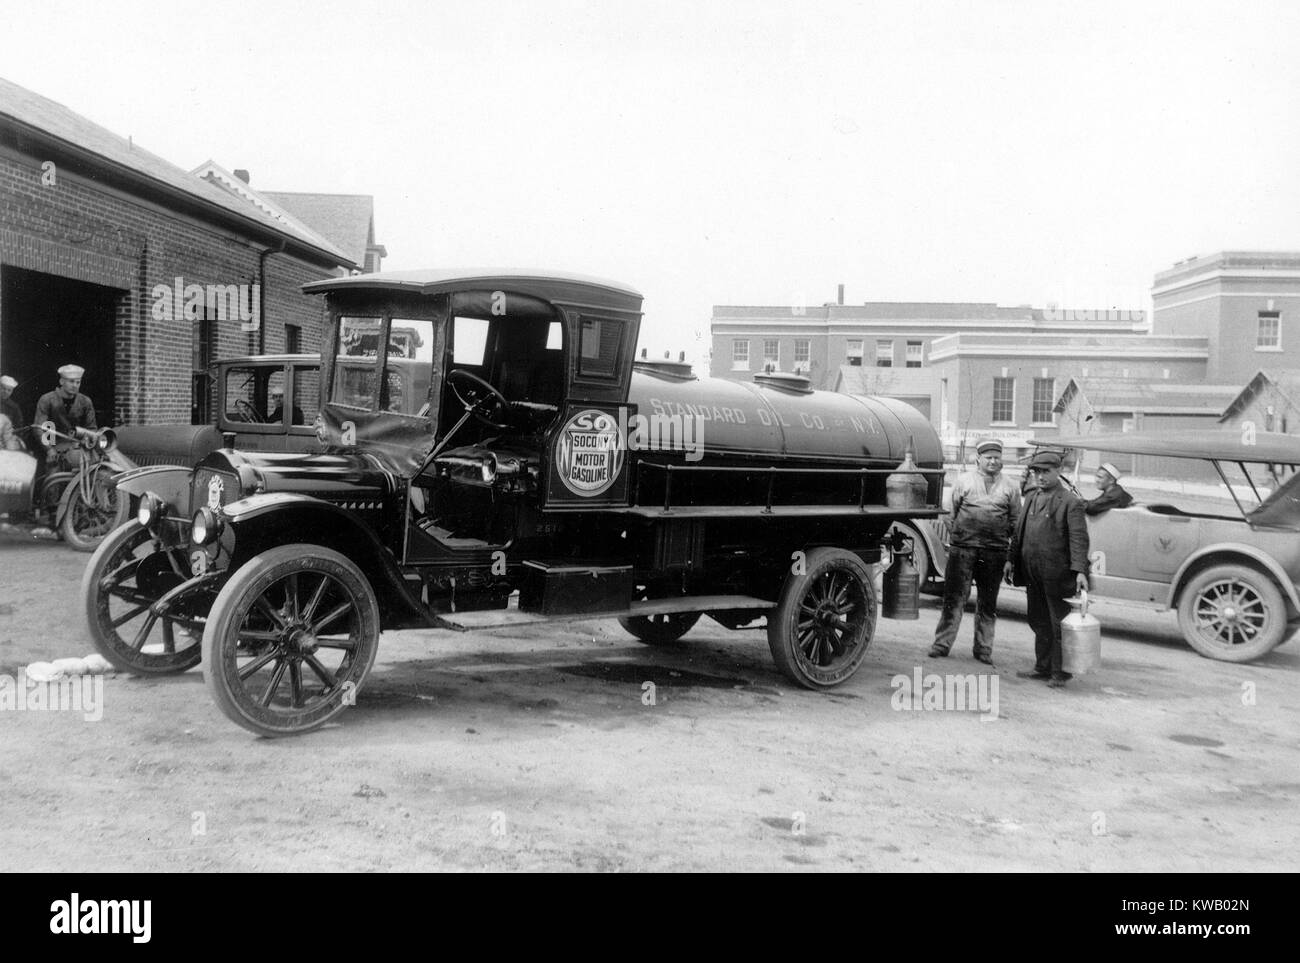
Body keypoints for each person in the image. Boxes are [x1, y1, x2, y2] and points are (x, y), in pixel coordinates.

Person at [928, 438, 1022, 666]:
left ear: (1002, 459)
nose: (993, 461)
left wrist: (1003, 546)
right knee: (953, 599)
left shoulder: (1011, 486)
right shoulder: (963, 482)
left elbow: (1015, 521)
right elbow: (950, 515)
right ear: (978, 459)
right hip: (963, 552)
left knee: (988, 602)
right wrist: (963, 538)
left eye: (996, 457)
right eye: (988, 457)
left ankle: (983, 649)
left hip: (994, 553)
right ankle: (942, 644)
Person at [1007, 450, 1090, 688]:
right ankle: (1042, 667)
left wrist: (1080, 571)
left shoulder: (1070, 502)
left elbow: (1078, 540)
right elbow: (1019, 532)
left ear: (1059, 472)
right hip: (1032, 570)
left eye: (1046, 472)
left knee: (1058, 623)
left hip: (1058, 574)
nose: (1041, 477)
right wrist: (1010, 559)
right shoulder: (1032, 497)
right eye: (1037, 472)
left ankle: (1060, 672)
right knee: (1037, 619)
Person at [34, 363, 97, 457]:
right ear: (61, 381)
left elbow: (91, 429)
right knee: (53, 470)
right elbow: (38, 428)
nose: (75, 385)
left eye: (78, 382)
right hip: (54, 449)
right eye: (71, 381)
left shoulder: (85, 401)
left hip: (78, 450)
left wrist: (86, 441)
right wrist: (49, 449)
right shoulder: (47, 399)